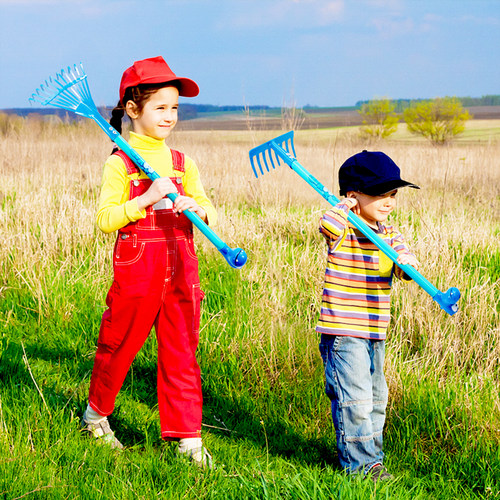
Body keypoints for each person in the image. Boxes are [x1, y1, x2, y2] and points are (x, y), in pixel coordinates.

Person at [81, 56, 217, 468]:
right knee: (119, 344)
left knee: (181, 351)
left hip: (181, 266)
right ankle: (96, 416)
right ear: (133, 109)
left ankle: (188, 438)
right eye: (161, 107)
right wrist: (143, 199)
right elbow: (105, 220)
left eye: (175, 107)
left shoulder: (183, 164)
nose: (170, 116)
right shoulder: (119, 162)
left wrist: (199, 207)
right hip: (139, 268)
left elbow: (210, 208)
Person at [316, 150, 420, 481]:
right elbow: (325, 225)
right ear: (353, 195)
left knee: (377, 398)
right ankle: (362, 466)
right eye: (379, 193)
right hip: (344, 329)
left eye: (392, 194)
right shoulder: (344, 229)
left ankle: (372, 455)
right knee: (355, 399)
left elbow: (403, 263)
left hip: (376, 329)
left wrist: (409, 266)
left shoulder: (390, 234)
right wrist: (344, 208)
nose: (388, 201)